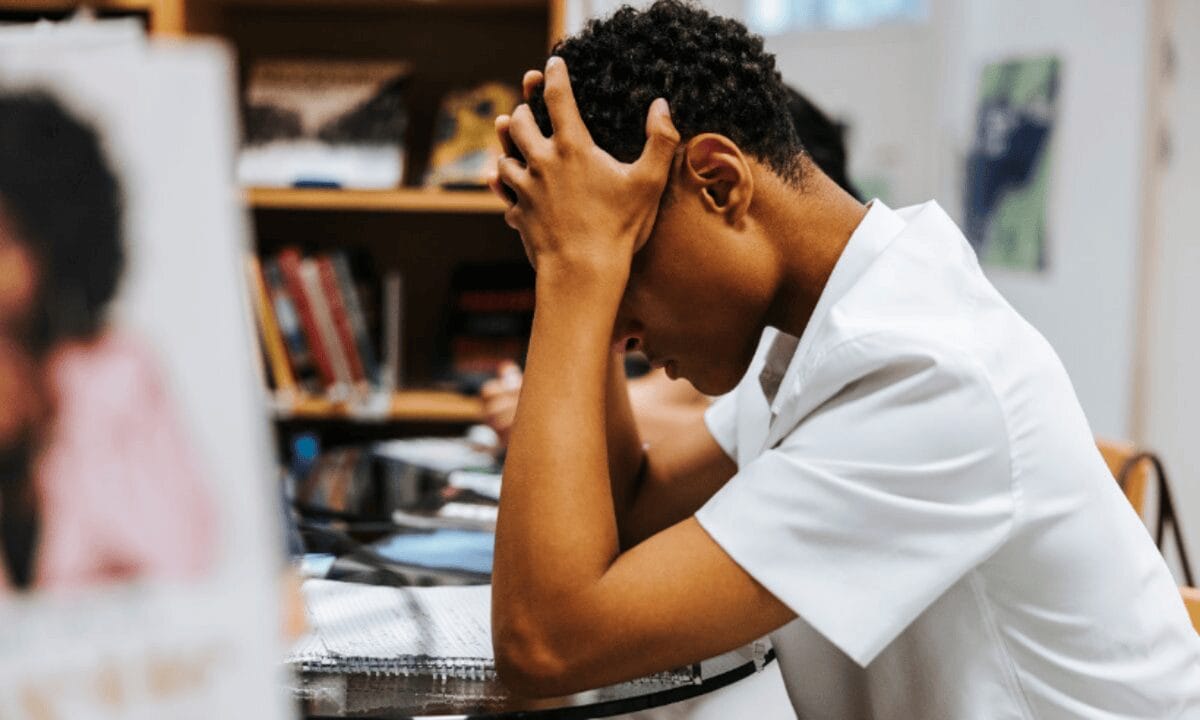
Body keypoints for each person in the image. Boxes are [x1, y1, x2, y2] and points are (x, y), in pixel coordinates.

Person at [483, 2, 1200, 718]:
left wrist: (578, 271)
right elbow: (636, 510)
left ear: (721, 183)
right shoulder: (831, 322)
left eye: (622, 256)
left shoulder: (927, 370)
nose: (616, 325)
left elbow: (547, 647)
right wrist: (573, 263)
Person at [481, 84, 861, 449]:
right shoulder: (791, 331)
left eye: (627, 257)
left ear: (718, 185)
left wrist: (574, 279)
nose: (615, 340)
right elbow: (638, 495)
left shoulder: (881, 360)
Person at [0, 91, 214, 592]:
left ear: (52, 247)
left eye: (5, 241)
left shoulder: (116, 375)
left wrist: (38, 450)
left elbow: (181, 562)